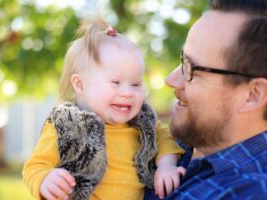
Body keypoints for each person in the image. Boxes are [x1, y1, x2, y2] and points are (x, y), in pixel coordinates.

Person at [22, 17, 186, 200]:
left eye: (136, 84)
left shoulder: (143, 123)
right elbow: (34, 166)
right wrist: (46, 180)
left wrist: (166, 165)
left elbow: (165, 140)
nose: (127, 93)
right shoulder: (66, 125)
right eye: (115, 82)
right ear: (81, 85)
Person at [145, 0, 267, 199]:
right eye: (182, 60)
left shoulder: (257, 192)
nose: (170, 80)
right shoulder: (181, 146)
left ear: (252, 95)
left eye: (191, 68)